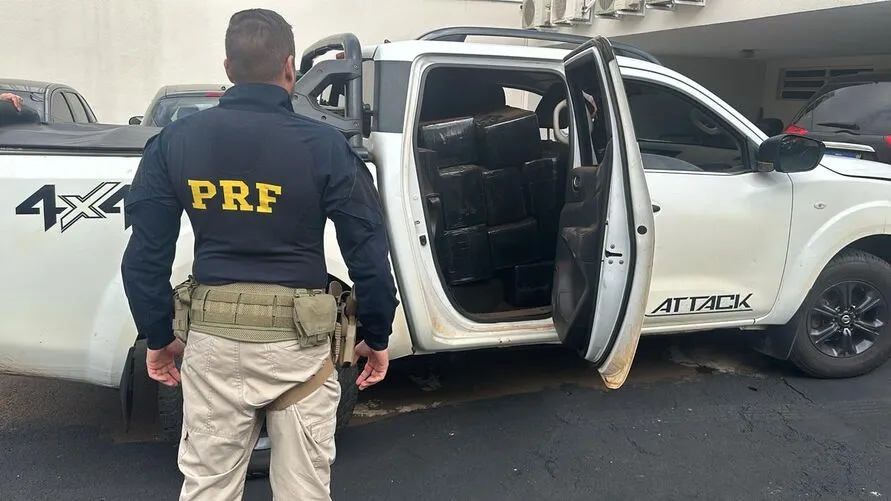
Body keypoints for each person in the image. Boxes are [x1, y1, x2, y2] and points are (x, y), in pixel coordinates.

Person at [120, 8, 398, 501]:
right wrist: (376, 335)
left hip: (211, 345)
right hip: (300, 351)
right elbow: (369, 254)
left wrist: (160, 337)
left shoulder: (174, 143)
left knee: (207, 486)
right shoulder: (327, 147)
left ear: (228, 68)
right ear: (290, 67)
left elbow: (145, 258)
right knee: (303, 491)